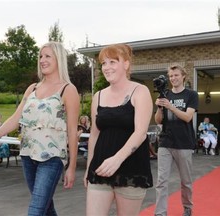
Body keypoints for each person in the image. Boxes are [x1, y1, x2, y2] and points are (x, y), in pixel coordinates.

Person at [0, 41, 80, 215]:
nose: (42, 60)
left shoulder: (68, 90)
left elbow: (72, 132)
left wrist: (71, 167)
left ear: (59, 59)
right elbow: (16, 118)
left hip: (52, 158)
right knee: (46, 207)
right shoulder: (32, 88)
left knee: (36, 211)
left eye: (47, 56)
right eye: (41, 56)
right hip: (28, 155)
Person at [84, 44, 153, 216]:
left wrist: (117, 159)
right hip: (100, 168)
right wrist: (88, 167)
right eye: (104, 63)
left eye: (113, 62)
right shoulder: (97, 96)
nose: (107, 67)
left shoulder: (140, 91)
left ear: (126, 64)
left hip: (131, 169)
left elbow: (140, 133)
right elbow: (94, 135)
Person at [154, 64, 198, 216]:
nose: (173, 78)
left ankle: (187, 208)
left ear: (183, 76)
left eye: (176, 75)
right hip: (165, 142)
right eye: (171, 76)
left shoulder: (191, 95)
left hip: (184, 143)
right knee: (161, 181)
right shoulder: (165, 94)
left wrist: (170, 106)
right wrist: (160, 107)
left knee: (186, 181)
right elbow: (158, 120)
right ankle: (160, 213)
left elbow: (188, 117)